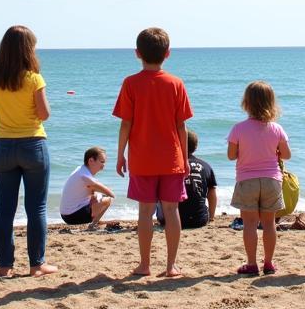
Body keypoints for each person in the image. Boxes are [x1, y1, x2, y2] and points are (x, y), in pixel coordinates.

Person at [113, 27, 193, 278]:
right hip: (171, 158)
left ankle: (145, 264)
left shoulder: (130, 83)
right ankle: (171, 266)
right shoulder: (176, 83)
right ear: (167, 54)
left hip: (142, 159)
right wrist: (184, 156)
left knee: (145, 213)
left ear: (137, 53)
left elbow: (126, 123)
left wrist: (120, 155)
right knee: (171, 211)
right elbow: (181, 125)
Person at [0, 25, 56, 278]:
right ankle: (37, 265)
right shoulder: (34, 78)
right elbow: (44, 114)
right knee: (36, 207)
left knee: (4, 208)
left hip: (4, 146)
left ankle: (5, 267)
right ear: (29, 49)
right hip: (33, 145)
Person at [227, 81, 291, 276]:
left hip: (247, 181)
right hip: (272, 179)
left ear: (246, 103)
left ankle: (252, 263)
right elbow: (287, 155)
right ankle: (269, 263)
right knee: (269, 223)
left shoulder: (238, 129)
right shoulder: (276, 129)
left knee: (249, 224)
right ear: (271, 103)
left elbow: (231, 155)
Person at [158, 130, 217, 230]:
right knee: (210, 189)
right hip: (199, 220)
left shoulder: (170, 166)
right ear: (196, 146)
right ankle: (210, 216)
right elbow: (212, 192)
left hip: (170, 220)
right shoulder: (206, 166)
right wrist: (211, 217)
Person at [60, 147, 115, 229]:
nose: (104, 165)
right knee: (109, 199)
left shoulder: (81, 170)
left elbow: (92, 190)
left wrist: (95, 195)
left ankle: (94, 221)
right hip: (73, 216)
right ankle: (93, 224)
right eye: (102, 162)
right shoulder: (85, 176)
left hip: (66, 215)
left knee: (97, 195)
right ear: (91, 161)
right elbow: (111, 194)